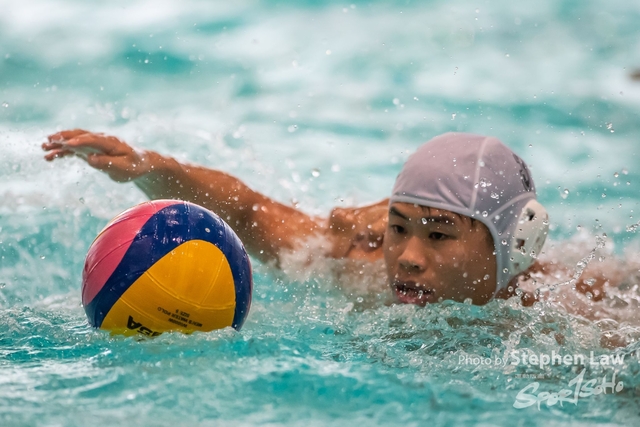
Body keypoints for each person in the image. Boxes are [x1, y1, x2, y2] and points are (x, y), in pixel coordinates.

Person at [42, 130, 605, 307]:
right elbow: (248, 211)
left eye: (439, 235)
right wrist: (150, 167)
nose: (408, 258)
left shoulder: (567, 316)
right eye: (399, 228)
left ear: (514, 245)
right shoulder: (359, 260)